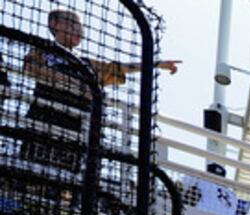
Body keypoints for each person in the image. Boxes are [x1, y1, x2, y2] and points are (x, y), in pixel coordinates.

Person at [15, 9, 179, 200]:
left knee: (62, 186)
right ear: (54, 24)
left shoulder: (84, 64)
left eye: (80, 26)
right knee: (29, 177)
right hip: (41, 125)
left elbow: (118, 68)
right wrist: (78, 84)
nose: (79, 30)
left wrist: (157, 64)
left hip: (72, 134)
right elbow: (31, 68)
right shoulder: (42, 50)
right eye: (72, 23)